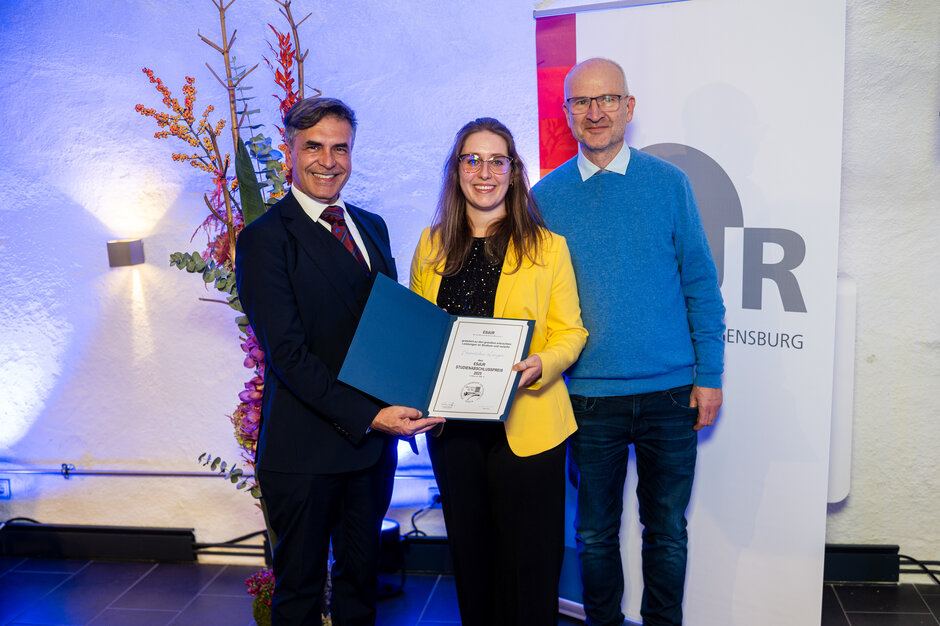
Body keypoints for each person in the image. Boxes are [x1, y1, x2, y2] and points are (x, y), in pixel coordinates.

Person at [235, 97, 444, 625]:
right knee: (300, 593)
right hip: (305, 450)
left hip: (371, 452)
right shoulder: (264, 240)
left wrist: (423, 387)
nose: (328, 161)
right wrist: (371, 415)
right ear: (289, 152)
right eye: (314, 147)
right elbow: (287, 355)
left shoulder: (371, 226)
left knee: (360, 587)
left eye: (340, 148)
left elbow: (389, 329)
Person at [532, 58, 726, 626]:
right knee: (594, 535)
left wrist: (709, 375)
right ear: (567, 113)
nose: (595, 113)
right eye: (581, 103)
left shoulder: (669, 185)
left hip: (672, 395)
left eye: (607, 100)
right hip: (587, 400)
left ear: (629, 107)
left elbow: (699, 285)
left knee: (666, 532)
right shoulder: (545, 197)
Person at [410, 117, 588, 626]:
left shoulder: (547, 247)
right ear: (457, 170)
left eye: (496, 160)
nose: (484, 171)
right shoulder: (431, 244)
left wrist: (542, 364)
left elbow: (570, 333)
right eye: (473, 159)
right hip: (455, 432)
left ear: (513, 172)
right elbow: (421, 335)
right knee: (473, 560)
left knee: (529, 568)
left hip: (529, 426)